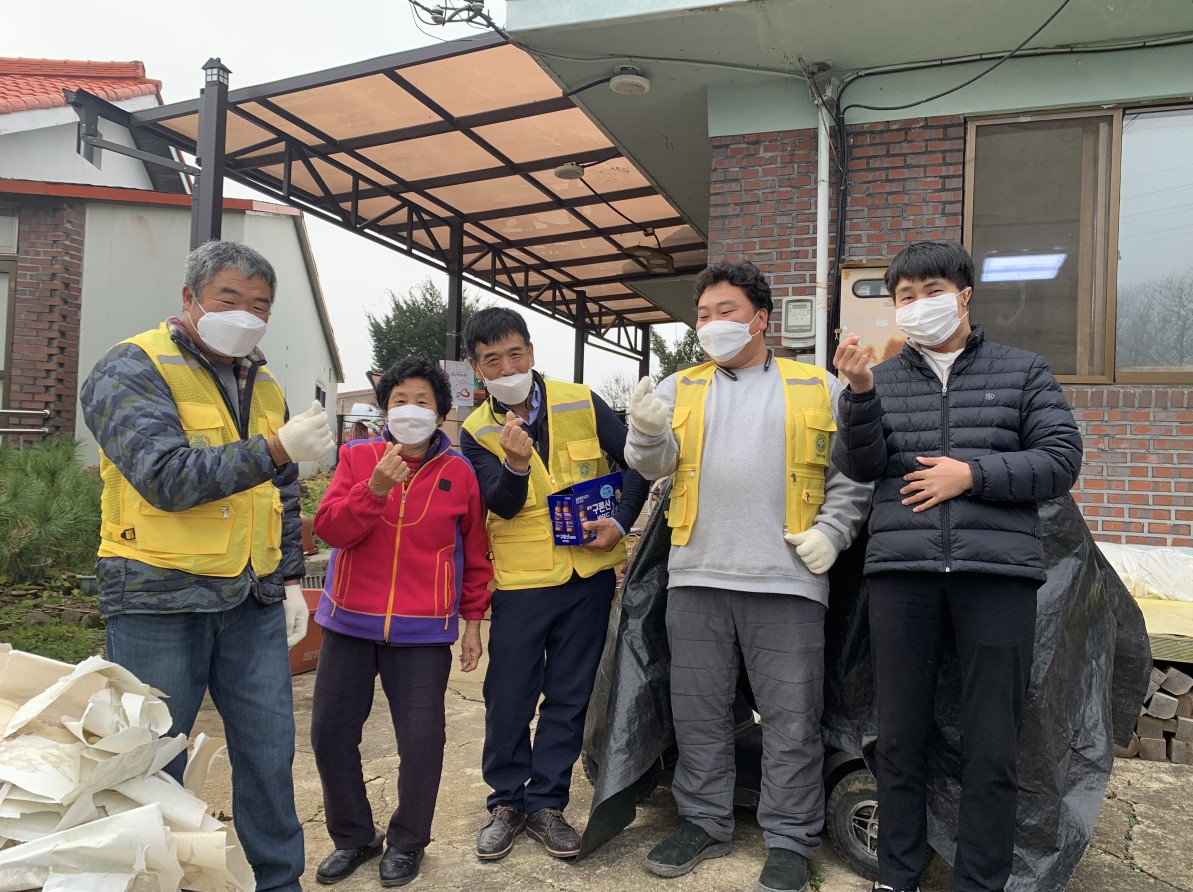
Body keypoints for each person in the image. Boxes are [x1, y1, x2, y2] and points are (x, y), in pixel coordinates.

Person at [79, 239, 337, 892]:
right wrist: (275, 445)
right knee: (148, 767)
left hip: (248, 605)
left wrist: (287, 577)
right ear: (190, 298)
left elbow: (278, 490)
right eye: (230, 298)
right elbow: (164, 478)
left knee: (269, 758)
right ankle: (149, 882)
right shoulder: (131, 368)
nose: (247, 314)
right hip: (157, 603)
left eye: (261, 305)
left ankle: (280, 883)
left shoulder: (265, 383)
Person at [831, 240, 1083, 892]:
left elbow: (1060, 460)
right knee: (900, 737)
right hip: (903, 578)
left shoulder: (1023, 371)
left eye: (931, 290)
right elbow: (858, 464)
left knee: (994, 745)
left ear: (964, 294)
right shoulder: (879, 380)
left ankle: (980, 881)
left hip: (995, 579)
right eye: (905, 296)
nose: (918, 306)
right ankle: (898, 873)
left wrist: (969, 474)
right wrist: (858, 391)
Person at [624, 260, 871, 892]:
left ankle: (791, 838)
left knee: (793, 717)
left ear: (760, 319)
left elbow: (854, 476)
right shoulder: (682, 388)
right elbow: (652, 466)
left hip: (787, 580)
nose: (711, 324)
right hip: (697, 575)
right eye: (703, 314)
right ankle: (704, 821)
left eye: (725, 311)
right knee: (699, 711)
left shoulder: (819, 387)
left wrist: (833, 532)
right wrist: (646, 431)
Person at [459, 307, 650, 861]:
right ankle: (507, 802)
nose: (507, 365)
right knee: (509, 695)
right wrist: (515, 467)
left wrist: (619, 519)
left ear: (532, 352)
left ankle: (547, 803)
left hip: (587, 576)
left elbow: (635, 462)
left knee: (569, 694)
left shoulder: (580, 399)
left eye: (515, 353)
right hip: (521, 584)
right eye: (492, 359)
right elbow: (500, 502)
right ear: (478, 368)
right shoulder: (476, 432)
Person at [310, 357, 492, 888]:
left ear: (440, 412)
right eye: (398, 402)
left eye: (422, 402)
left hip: (422, 630)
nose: (409, 411)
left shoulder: (459, 473)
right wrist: (375, 488)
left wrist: (473, 620)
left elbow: (475, 553)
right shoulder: (356, 456)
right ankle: (354, 838)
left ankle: (408, 841)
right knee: (330, 732)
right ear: (383, 409)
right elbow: (329, 530)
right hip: (348, 622)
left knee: (421, 740)